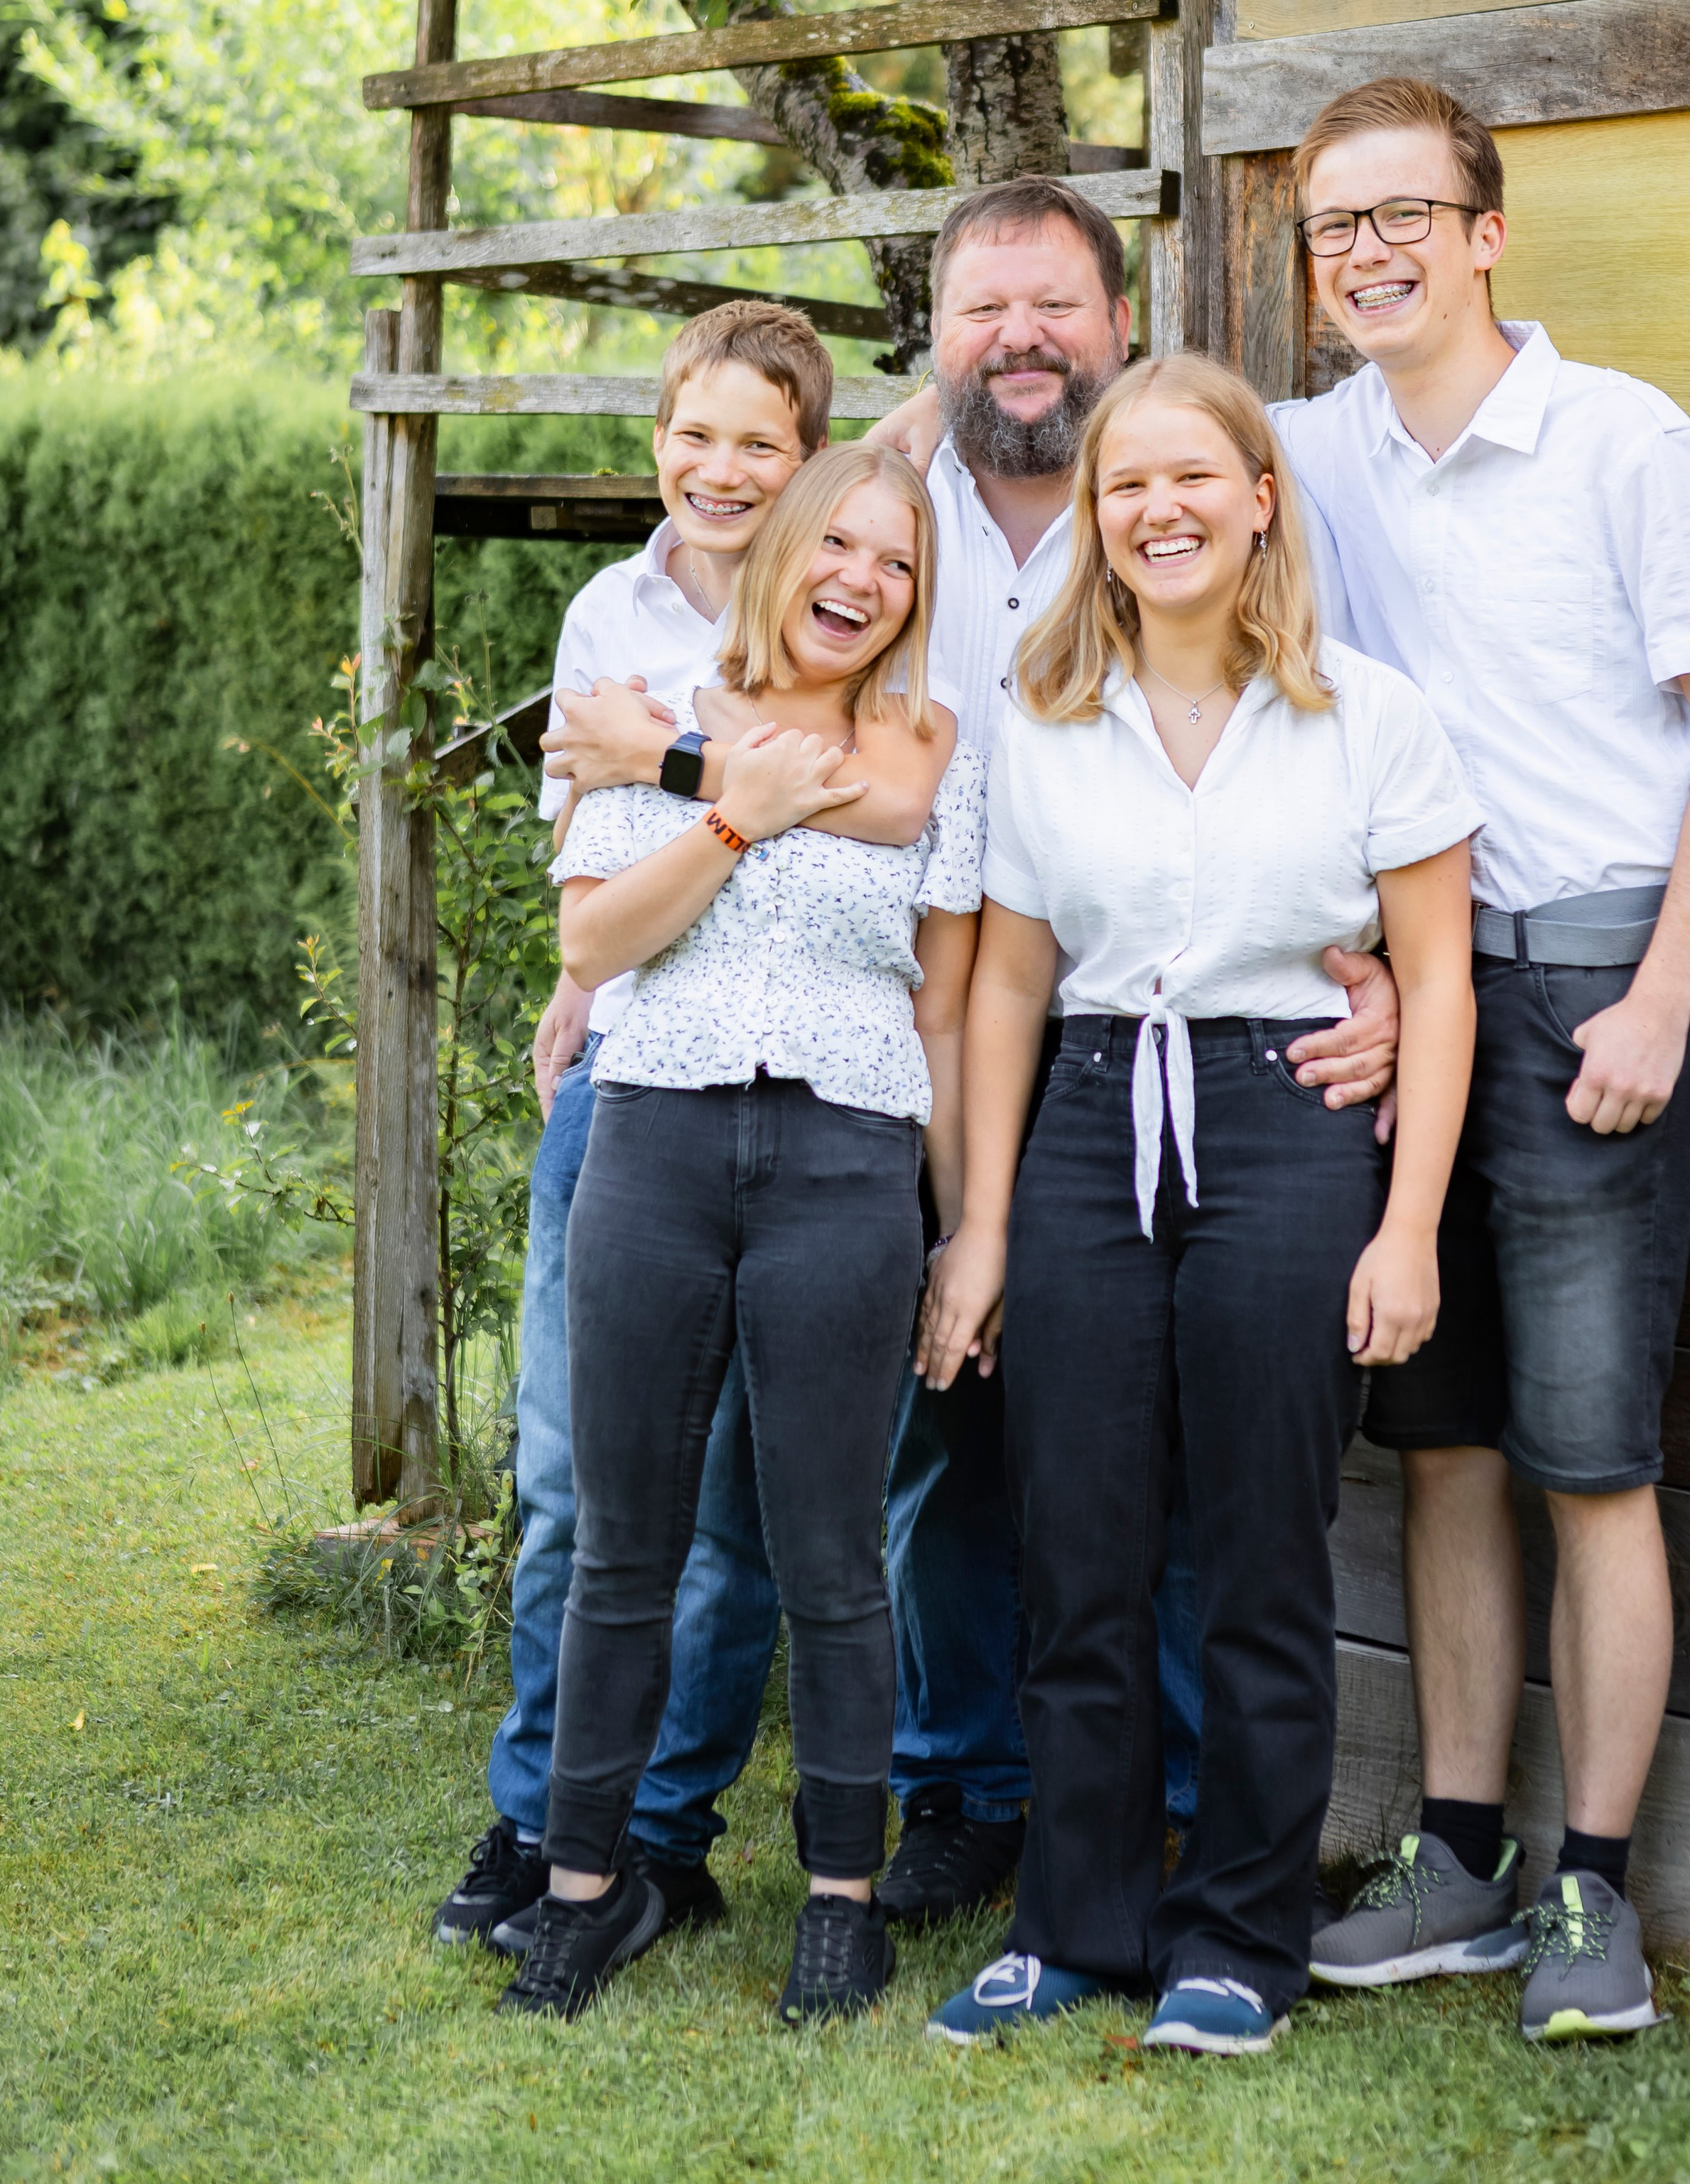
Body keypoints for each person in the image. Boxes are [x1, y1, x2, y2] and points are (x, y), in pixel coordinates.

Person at [551, 178, 1406, 1920]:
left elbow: (1309, 750)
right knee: (906, 1445)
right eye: (979, 311)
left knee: (1137, 1448)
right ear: (932, 337)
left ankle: (1168, 1800)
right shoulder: (861, 503)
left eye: (1054, 308)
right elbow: (622, 720)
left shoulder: (1158, 494)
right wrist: (651, 844)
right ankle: (929, 1791)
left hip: (1123, 1035)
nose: (1018, 340)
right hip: (869, 1041)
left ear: (1117, 317)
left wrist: (1382, 965)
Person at [1277, 80, 1690, 2040]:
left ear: (1489, 233)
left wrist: (1663, 993)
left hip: (1595, 989)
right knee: (1446, 1444)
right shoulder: (1317, 451)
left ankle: (1597, 1898)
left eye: (1407, 214)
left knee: (1593, 1462)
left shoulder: (1619, 442)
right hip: (1425, 1002)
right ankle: (1464, 1864)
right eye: (1337, 227)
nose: (1371, 253)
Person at [919, 354, 1479, 2055]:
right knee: (1073, 1544)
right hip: (1090, 1116)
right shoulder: (1041, 713)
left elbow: (1436, 985)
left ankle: (1238, 1934)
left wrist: (1405, 1229)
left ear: (1255, 499)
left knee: (1255, 1550)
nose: (1154, 510)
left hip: (1288, 1119)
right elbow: (1009, 986)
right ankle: (1076, 1922)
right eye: (1120, 486)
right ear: (1092, 523)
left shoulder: (1363, 714)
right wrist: (987, 1224)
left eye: (1188, 479)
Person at [431, 303, 943, 1959]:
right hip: (636, 1100)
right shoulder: (619, 623)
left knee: (772, 1524)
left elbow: (919, 822)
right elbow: (592, 919)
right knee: (589, 1493)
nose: (721, 471)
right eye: (696, 434)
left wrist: (672, 757)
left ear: (807, 475)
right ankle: (548, 1832)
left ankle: (671, 1832)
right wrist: (712, 780)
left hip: (836, 1147)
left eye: (762, 446)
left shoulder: (906, 710)